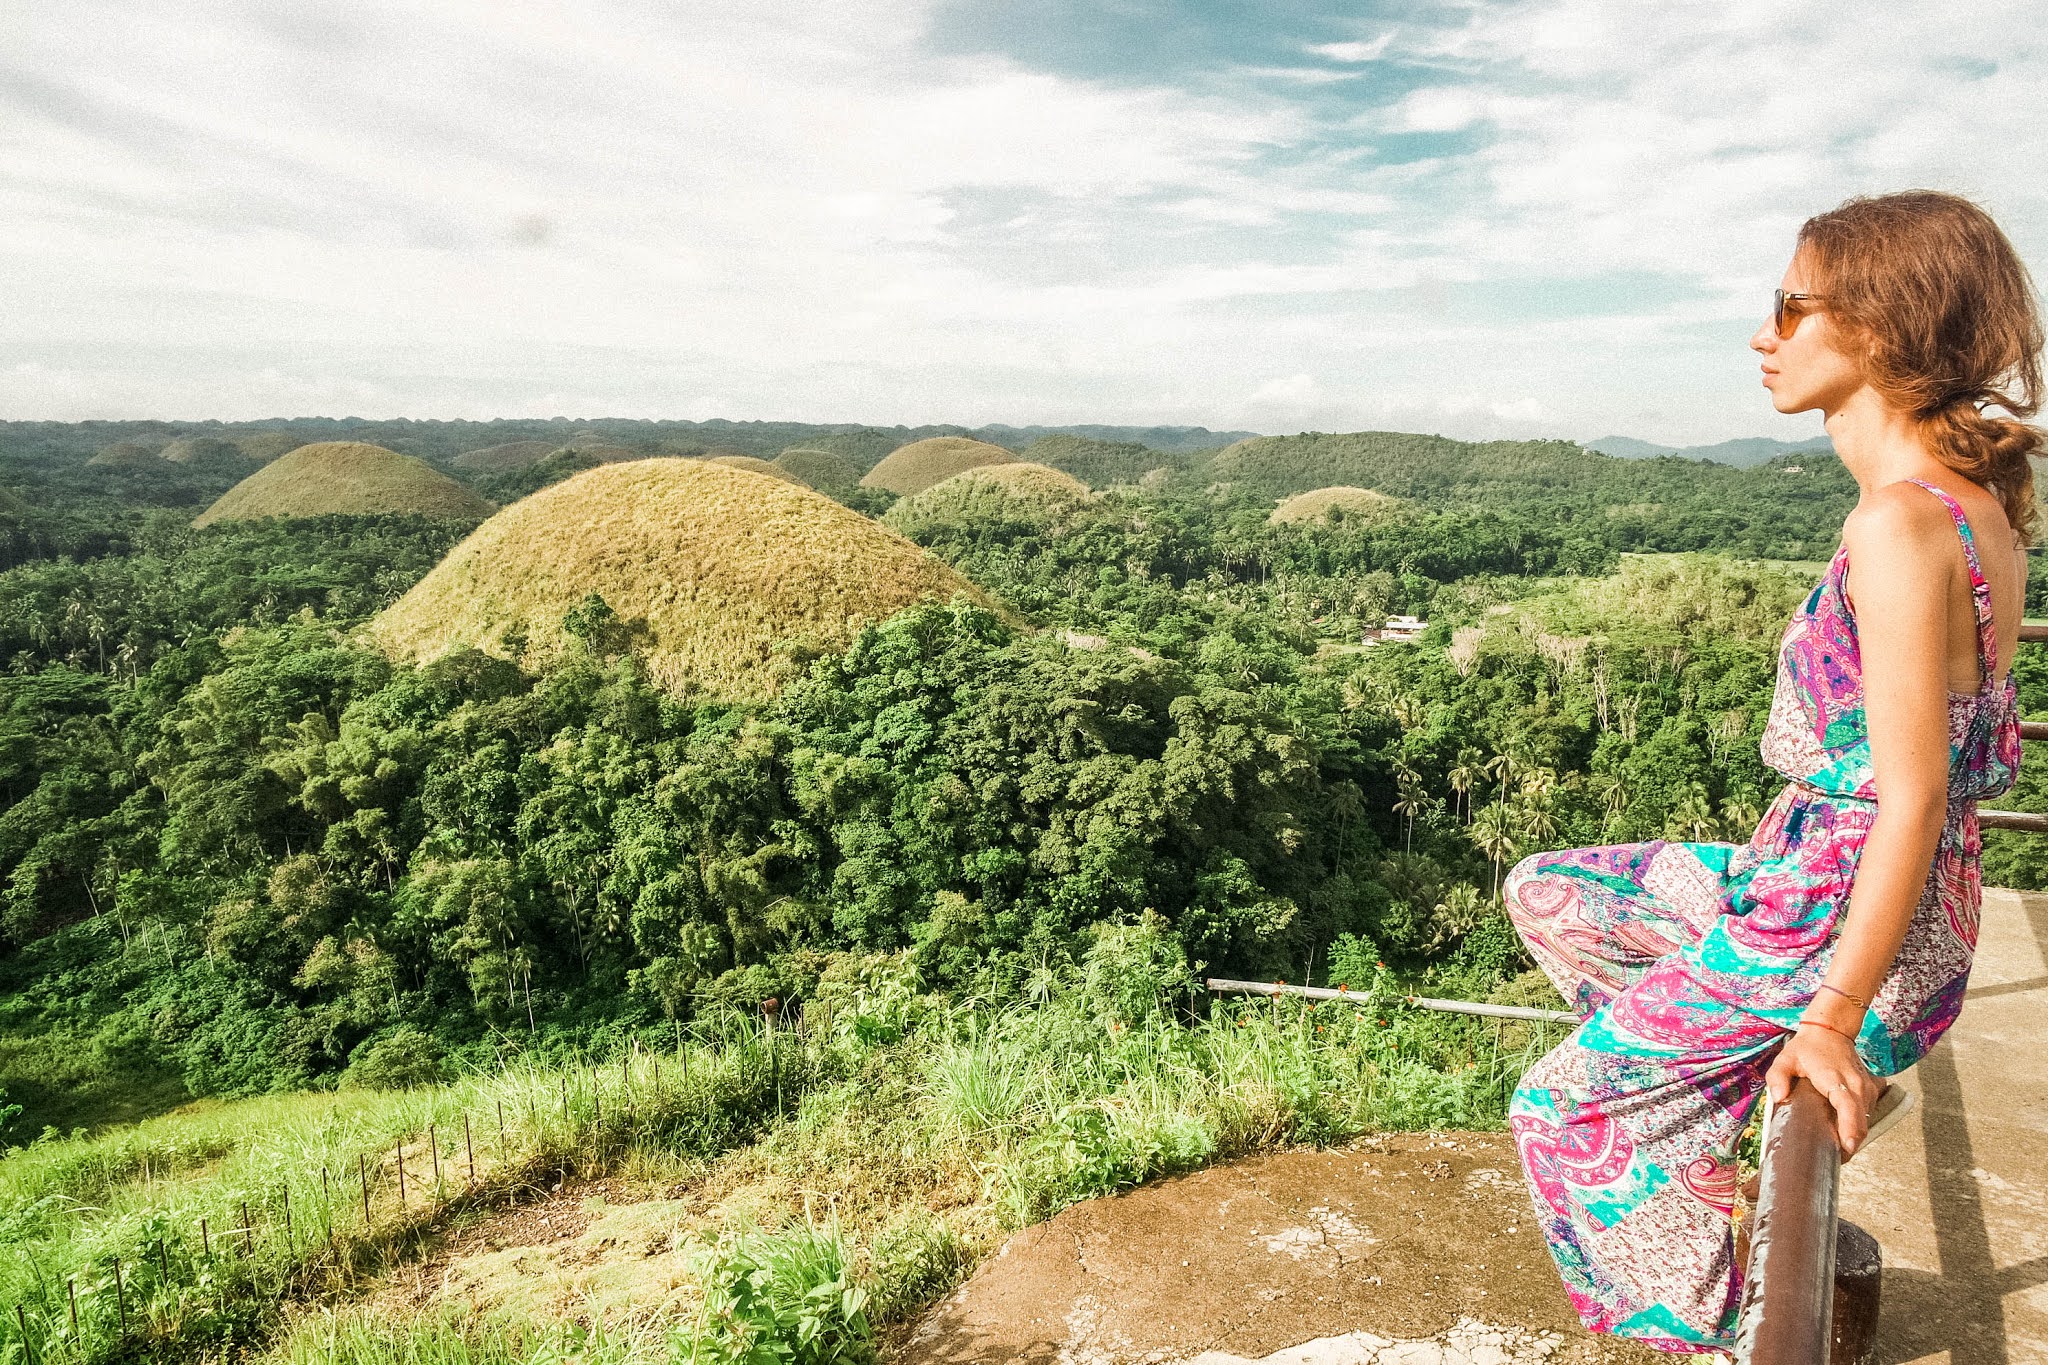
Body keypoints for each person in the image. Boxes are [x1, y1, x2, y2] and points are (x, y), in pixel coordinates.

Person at [1502, 189, 2039, 1354]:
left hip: (1836, 914)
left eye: (1789, 307)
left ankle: (1715, 1331)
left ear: (1882, 330)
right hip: (1813, 881)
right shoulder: (1973, 503)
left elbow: (1914, 797)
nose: (1764, 334)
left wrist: (1834, 1016)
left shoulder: (1899, 526)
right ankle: (1703, 1117)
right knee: (1553, 893)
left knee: (1555, 1112)